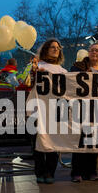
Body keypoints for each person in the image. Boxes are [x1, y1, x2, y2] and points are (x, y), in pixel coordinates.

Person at [69, 43, 98, 182]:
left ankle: (91, 171)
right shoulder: (78, 67)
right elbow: (70, 80)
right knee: (80, 140)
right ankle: (77, 172)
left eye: (97, 51)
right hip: (81, 108)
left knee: (94, 141)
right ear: (88, 52)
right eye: (92, 50)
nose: (95, 53)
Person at [31, 39, 67, 184]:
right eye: (52, 47)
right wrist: (34, 72)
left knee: (54, 142)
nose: (55, 49)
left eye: (58, 47)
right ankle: (39, 172)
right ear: (46, 49)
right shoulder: (37, 66)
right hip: (38, 109)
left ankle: (50, 172)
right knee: (38, 142)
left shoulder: (64, 71)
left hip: (56, 110)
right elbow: (26, 83)